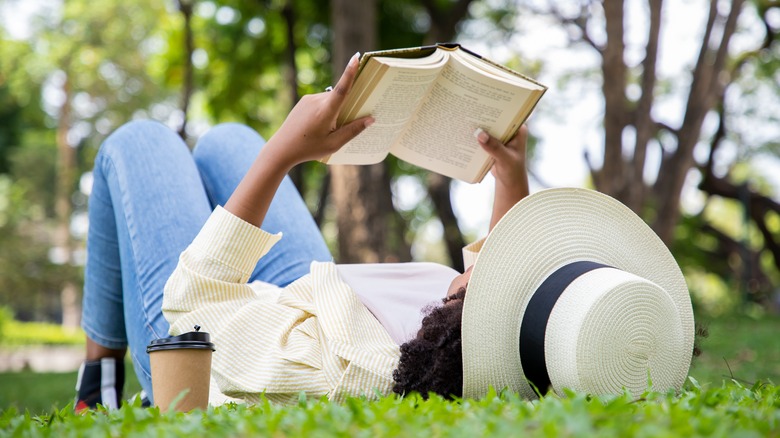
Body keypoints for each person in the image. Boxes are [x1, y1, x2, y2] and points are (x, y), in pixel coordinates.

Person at [74, 52, 531, 409]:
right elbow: (493, 266)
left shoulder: (342, 372)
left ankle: (98, 382)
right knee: (229, 139)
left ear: (478, 312)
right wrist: (511, 178)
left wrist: (284, 154)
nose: (518, 266)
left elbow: (194, 302)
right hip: (319, 304)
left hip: (207, 353)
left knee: (141, 142)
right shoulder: (480, 332)